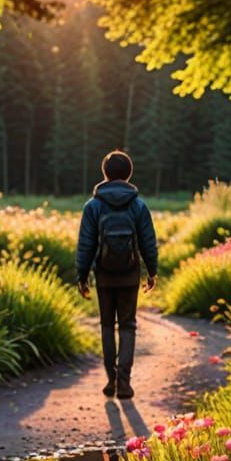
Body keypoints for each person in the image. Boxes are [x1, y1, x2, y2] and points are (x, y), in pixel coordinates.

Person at [75, 149, 158, 399]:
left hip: (104, 274)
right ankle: (124, 382)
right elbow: (148, 242)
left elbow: (86, 244)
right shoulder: (138, 205)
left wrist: (82, 275)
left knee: (107, 325)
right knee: (128, 326)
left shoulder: (93, 206)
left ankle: (110, 380)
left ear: (105, 173)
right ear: (129, 174)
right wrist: (151, 270)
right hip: (130, 273)